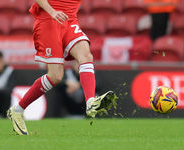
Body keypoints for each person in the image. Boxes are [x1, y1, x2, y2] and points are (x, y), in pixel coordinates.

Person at [7, 0, 116, 135]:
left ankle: (90, 102)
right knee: (55, 76)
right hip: (49, 20)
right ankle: (17, 110)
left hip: (70, 20)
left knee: (86, 56)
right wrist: (52, 11)